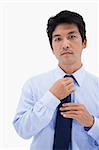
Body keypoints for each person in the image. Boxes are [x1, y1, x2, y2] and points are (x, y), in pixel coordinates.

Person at [13, 10, 99, 150]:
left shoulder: (97, 87)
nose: (65, 44)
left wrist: (91, 122)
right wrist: (51, 97)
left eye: (71, 36)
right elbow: (22, 130)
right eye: (58, 39)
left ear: (84, 42)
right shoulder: (33, 85)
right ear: (52, 48)